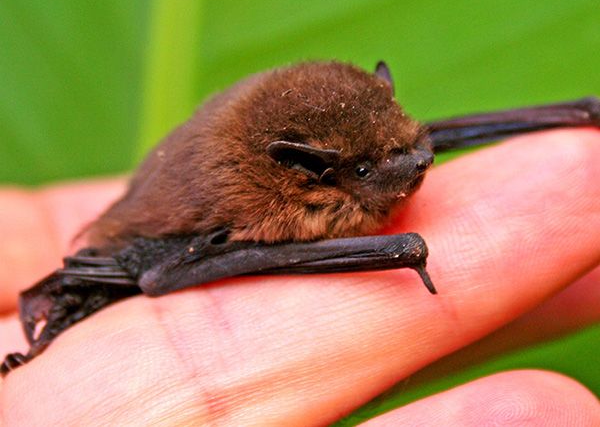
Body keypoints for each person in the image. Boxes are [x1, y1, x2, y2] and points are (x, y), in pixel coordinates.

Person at [1, 130, 599, 425]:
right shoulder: (269, 204)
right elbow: (159, 265)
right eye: (368, 170)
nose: (415, 169)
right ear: (309, 176)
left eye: (411, 151)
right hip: (153, 246)